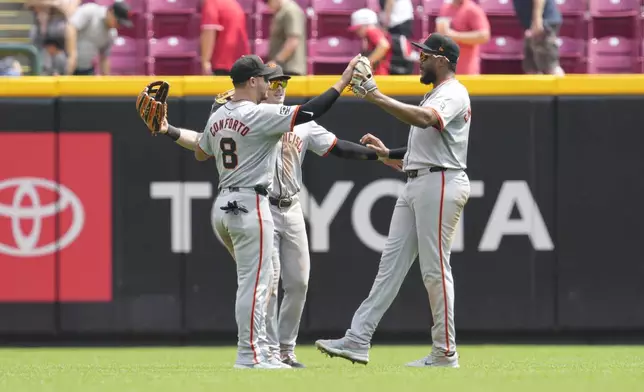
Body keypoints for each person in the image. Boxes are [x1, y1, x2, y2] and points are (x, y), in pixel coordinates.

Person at [147, 65, 401, 368]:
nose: (278, 86)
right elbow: (305, 112)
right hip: (257, 204)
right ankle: (260, 351)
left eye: (283, 81)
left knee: (296, 282)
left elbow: (203, 147)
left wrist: (386, 155)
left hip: (284, 205)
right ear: (259, 84)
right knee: (263, 282)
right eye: (273, 81)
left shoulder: (236, 114)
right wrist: (343, 81)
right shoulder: (256, 115)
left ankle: (281, 349)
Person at [315, 33, 472, 368]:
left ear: (442, 60)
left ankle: (445, 352)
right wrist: (389, 154)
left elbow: (426, 119)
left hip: (441, 181)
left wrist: (375, 96)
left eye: (426, 55)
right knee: (389, 268)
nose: (420, 59)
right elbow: (424, 144)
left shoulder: (454, 92)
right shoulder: (435, 92)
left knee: (434, 270)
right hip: (419, 179)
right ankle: (358, 339)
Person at [65, 1, 132, 75]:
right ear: (111, 12)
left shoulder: (112, 33)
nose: (118, 26)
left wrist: (107, 81)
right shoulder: (91, 11)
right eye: (118, 22)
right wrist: (72, 55)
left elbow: (104, 58)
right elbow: (71, 27)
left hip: (85, 69)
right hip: (64, 62)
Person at [436, 0, 490, 75]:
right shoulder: (445, 8)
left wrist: (454, 36)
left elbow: (484, 36)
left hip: (467, 72)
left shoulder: (472, 9)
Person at [512, 0, 564, 75]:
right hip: (531, 25)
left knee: (550, 67)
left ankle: (562, 86)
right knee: (531, 68)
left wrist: (537, 21)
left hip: (543, 23)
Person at [200, 0, 250, 76]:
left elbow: (209, 31)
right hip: (241, 63)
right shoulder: (233, 3)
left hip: (222, 64)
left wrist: (205, 62)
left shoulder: (212, 3)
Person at [264, 0, 307, 76]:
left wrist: (276, 62)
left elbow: (293, 41)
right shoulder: (281, 12)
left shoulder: (291, 11)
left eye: (267, 1)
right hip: (282, 69)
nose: (267, 5)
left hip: (290, 70)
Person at [349, 8, 392, 76]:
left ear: (366, 24)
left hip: (380, 75)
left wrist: (367, 63)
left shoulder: (372, 30)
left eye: (358, 28)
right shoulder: (369, 36)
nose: (356, 32)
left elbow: (384, 45)